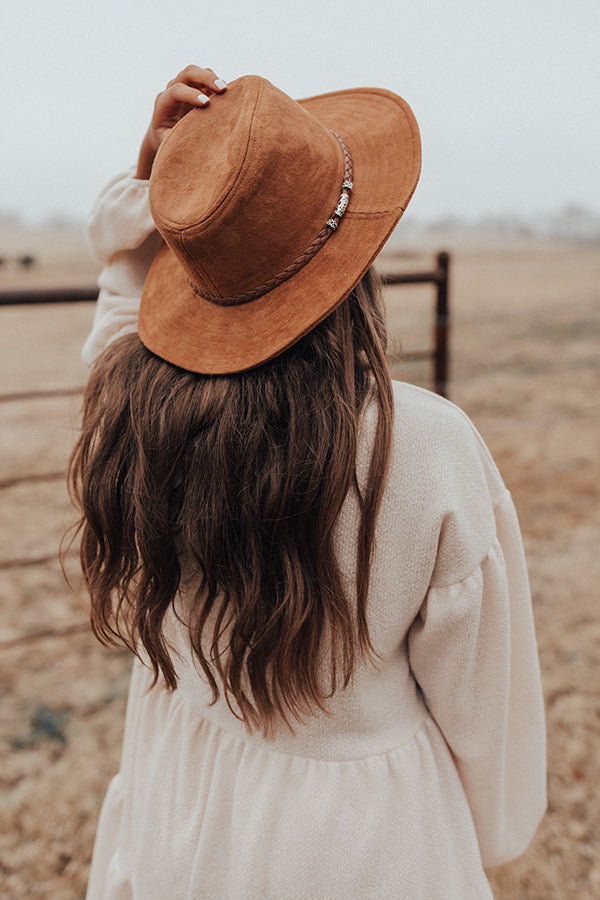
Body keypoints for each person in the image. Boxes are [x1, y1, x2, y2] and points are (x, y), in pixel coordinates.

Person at [72, 66, 546, 899]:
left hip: (179, 794)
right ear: (353, 259)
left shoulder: (132, 405)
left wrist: (155, 188)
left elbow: (120, 311)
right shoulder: (423, 445)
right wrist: (494, 830)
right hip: (359, 841)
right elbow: (485, 698)